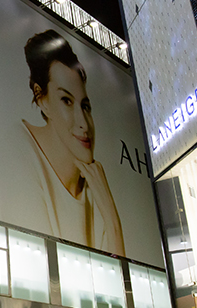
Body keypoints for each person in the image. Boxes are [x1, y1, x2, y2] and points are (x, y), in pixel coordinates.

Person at [18, 29, 124, 257]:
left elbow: (121, 288)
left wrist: (111, 217)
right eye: (66, 100)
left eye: (85, 106)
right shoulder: (20, 150)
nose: (83, 124)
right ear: (41, 98)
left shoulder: (94, 186)